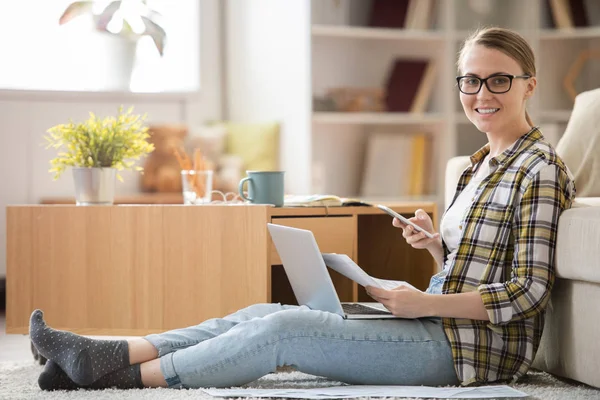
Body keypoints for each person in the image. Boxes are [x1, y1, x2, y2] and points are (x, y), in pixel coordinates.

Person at [29, 26, 575, 391]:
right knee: (264, 313)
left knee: (285, 330)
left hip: (471, 353)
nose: (483, 93)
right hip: (437, 324)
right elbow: (475, 267)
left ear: (530, 84)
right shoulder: (478, 164)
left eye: (499, 80)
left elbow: (528, 293)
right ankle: (109, 352)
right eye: (471, 80)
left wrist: (419, 305)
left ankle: (114, 379)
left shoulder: (540, 168)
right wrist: (436, 248)